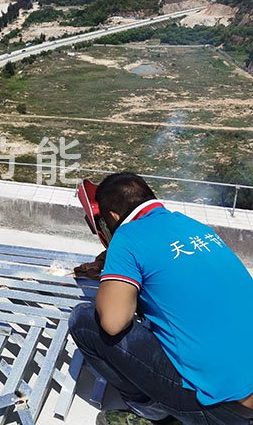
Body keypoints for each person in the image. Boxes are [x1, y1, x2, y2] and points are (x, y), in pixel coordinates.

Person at [69, 172, 253, 425]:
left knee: (84, 321)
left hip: (224, 410)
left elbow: (113, 321)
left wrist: (109, 275)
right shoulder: (192, 226)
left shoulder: (127, 237)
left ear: (112, 216)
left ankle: (153, 412)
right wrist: (109, 263)